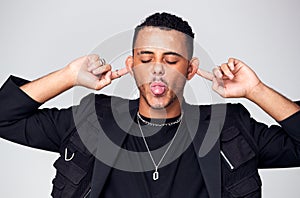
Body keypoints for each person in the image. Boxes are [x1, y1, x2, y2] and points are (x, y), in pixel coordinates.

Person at [0, 12, 299, 198]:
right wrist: (68, 76)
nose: (157, 69)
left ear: (190, 70)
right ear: (131, 65)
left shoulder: (229, 127)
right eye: (146, 59)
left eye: (171, 60)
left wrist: (255, 90)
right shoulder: (91, 120)